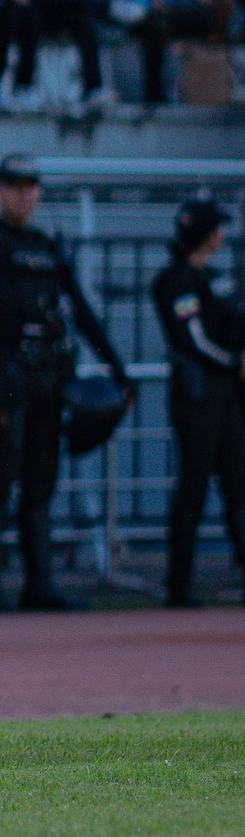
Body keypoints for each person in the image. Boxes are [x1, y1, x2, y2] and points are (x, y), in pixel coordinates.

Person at [0, 155, 133, 613]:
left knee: (41, 482)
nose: (23, 193)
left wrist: (120, 371)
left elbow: (83, 311)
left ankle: (40, 585)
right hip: (6, 380)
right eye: (14, 185)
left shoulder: (47, 244)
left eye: (30, 185)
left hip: (51, 378)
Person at [151, 195, 245, 607]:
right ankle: (179, 585)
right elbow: (194, 339)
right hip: (199, 395)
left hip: (228, 395)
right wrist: (235, 362)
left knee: (238, 483)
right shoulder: (176, 281)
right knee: (193, 485)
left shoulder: (216, 278)